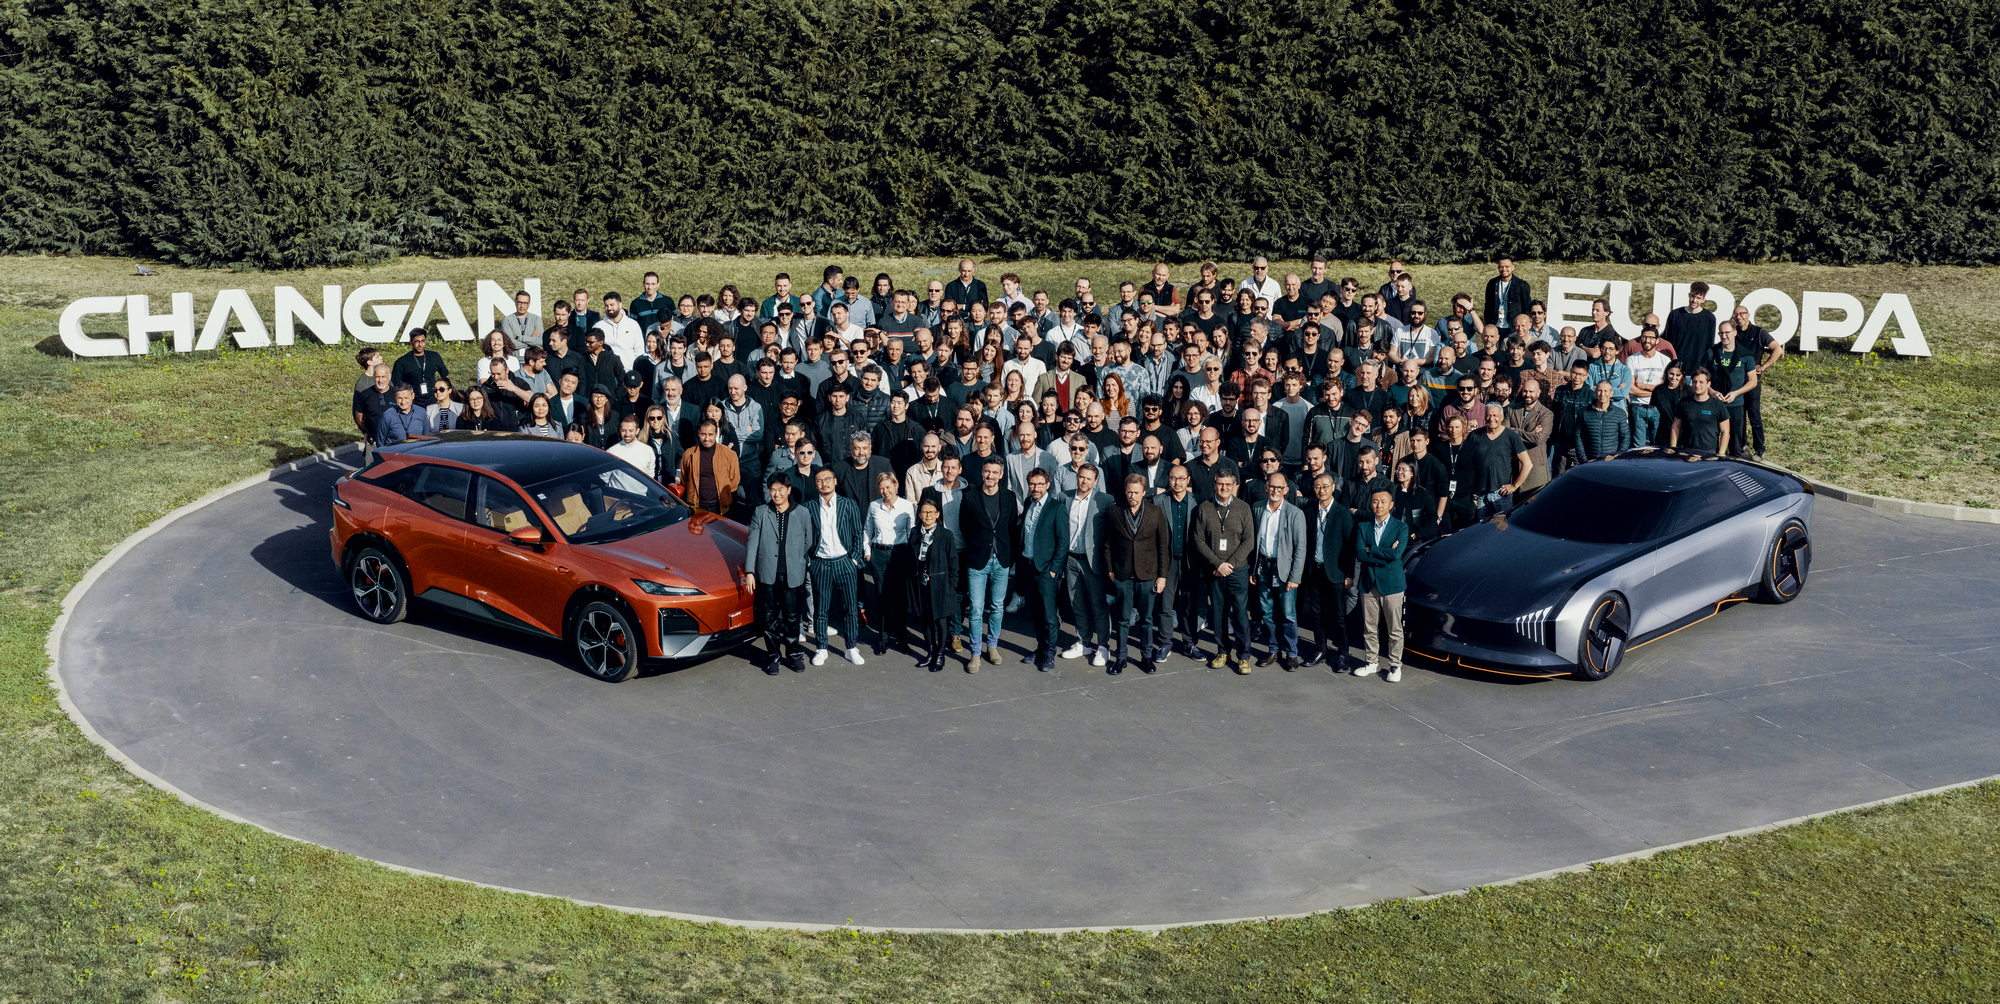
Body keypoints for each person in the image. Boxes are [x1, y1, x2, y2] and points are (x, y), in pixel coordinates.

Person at [1101, 473, 1169, 674]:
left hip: (1147, 574)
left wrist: (1162, 575)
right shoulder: (1114, 511)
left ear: (1144, 492)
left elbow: (1162, 546)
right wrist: (1110, 569)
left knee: (1147, 619)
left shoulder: (1155, 512)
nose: (1132, 496)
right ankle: (1121, 658)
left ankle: (1146, 657)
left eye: (1136, 492)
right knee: (1122, 619)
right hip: (1122, 575)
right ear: (1125, 491)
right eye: (1129, 492)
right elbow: (1107, 543)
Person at [1194, 470, 1256, 673]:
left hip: (1237, 570)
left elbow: (1249, 540)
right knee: (1218, 612)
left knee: (1240, 613)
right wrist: (1217, 563)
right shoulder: (1204, 508)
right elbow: (1199, 540)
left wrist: (1229, 564)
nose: (1224, 488)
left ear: (1234, 486)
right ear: (1214, 485)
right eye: (1220, 484)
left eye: (1228, 484)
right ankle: (1223, 651)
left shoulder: (1243, 508)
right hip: (1214, 570)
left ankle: (1244, 656)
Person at [960, 459, 1017, 670]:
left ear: (1001, 475)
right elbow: (964, 526)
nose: (990, 476)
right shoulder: (970, 496)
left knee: (997, 606)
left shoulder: (1009, 497)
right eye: (987, 471)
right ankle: (975, 652)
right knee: (976, 608)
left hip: (1001, 559)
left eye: (994, 472)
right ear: (982, 472)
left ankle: (992, 645)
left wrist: (1008, 555)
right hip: (977, 559)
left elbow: (1012, 527)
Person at [1249, 472, 1307, 671]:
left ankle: (1292, 653)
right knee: (1267, 612)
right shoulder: (1258, 508)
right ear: (1266, 487)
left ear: (1286, 490)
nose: (1275, 491)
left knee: (1288, 614)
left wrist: (1295, 576)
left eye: (1279, 488)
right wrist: (1254, 568)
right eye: (1272, 487)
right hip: (1263, 567)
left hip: (1285, 569)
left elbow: (1300, 548)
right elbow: (1254, 541)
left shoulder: (1295, 513)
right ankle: (1273, 650)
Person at [1058, 464, 1114, 666]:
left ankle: (1103, 646)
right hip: (1071, 559)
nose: (1084, 481)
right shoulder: (1064, 497)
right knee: (1077, 603)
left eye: (1088, 478)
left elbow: (1111, 533)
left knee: (1098, 605)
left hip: (1094, 562)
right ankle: (1084, 642)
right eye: (1081, 477)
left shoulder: (1105, 500)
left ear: (1095, 481)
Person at [1351, 489, 1410, 681]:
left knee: (1394, 629)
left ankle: (1395, 666)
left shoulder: (1401, 527)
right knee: (1369, 626)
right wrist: (1383, 552)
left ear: (1391, 505)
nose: (1379, 505)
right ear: (1371, 504)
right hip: (1368, 583)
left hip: (1392, 584)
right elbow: (1360, 554)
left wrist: (1373, 550)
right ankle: (1371, 662)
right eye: (1375, 501)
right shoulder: (1363, 526)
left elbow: (1397, 554)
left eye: (1383, 501)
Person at [902, 497, 962, 672]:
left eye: (931, 512)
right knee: (926, 619)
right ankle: (930, 652)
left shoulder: (946, 535)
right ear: (919, 515)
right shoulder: (915, 533)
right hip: (921, 583)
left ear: (937, 514)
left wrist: (951, 585)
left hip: (940, 584)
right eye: (924, 512)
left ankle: (940, 655)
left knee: (941, 620)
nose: (927, 515)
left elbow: (953, 563)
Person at [1015, 468, 1065, 672]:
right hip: (1027, 567)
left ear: (1048, 485)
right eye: (1032, 484)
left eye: (1040, 484)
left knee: (1049, 615)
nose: (1035, 488)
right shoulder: (1028, 503)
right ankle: (1040, 648)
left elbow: (1063, 541)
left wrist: (1054, 570)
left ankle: (1050, 654)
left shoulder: (1056, 508)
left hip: (1045, 570)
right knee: (1035, 612)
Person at [863, 471, 915, 655]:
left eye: (888, 487)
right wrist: (867, 552)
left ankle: (901, 638)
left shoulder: (907, 506)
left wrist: (909, 556)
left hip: (899, 554)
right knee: (882, 597)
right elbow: (867, 530)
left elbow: (911, 532)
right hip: (878, 555)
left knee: (900, 599)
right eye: (881, 488)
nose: (885, 491)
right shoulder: (874, 506)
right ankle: (883, 638)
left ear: (896, 485)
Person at [677, 420, 740, 517]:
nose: (707, 438)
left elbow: (734, 482)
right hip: (696, 506)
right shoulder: (689, 454)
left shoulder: (729, 454)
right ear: (699, 433)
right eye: (703, 434)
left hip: (720, 507)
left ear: (716, 434)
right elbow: (685, 479)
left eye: (710, 434)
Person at [1663, 282, 1717, 375]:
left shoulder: (1709, 318)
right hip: (1675, 369)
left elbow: (1709, 345)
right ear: (1689, 295)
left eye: (1698, 298)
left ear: (1703, 300)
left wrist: (1704, 368)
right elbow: (1666, 341)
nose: (1694, 300)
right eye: (1692, 296)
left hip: (1697, 370)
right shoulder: (1675, 314)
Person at [1671, 368, 1730, 452]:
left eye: (1701, 382)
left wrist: (1721, 454)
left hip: (1709, 452)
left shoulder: (1718, 406)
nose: (1697, 385)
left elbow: (1725, 431)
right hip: (1686, 450)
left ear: (1708, 384)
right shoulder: (1684, 403)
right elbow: (1675, 427)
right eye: (1695, 382)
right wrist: (1673, 448)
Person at [391, 329, 450, 407]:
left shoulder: (434, 356)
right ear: (411, 342)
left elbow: (445, 376)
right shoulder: (402, 362)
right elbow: (395, 385)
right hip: (413, 404)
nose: (420, 345)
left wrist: (443, 396)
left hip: (433, 401)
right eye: (417, 341)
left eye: (423, 341)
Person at [1576, 380, 1632, 460]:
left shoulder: (1619, 414)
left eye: (1605, 391)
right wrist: (1583, 459)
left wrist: (1618, 458)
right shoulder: (1584, 412)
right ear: (1595, 392)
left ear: (1611, 393)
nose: (1602, 394)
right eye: (1600, 390)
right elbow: (1578, 436)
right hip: (1590, 459)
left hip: (1612, 460)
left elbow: (1625, 437)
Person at [1484, 258, 1531, 340]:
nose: (1504, 269)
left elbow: (1527, 307)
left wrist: (1522, 326)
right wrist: (1488, 324)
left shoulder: (1521, 285)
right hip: (1495, 327)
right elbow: (1487, 306)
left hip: (1513, 328)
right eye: (1501, 267)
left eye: (1507, 266)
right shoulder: (1492, 284)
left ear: (1513, 267)